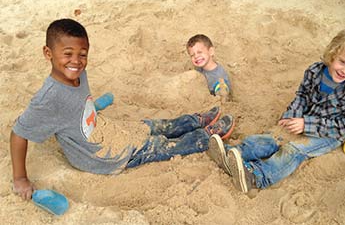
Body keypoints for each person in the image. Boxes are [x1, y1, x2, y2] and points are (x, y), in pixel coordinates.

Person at [10, 18, 235, 200]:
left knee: (156, 126)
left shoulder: (78, 72)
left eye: (82, 54)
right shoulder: (49, 98)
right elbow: (19, 133)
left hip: (107, 129)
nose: (76, 61)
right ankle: (204, 136)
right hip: (102, 156)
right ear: (48, 53)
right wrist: (20, 179)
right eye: (67, 54)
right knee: (161, 145)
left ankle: (195, 120)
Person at [207, 28, 345, 193]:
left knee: (294, 149)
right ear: (333, 53)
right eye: (343, 62)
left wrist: (307, 125)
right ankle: (236, 152)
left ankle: (257, 176)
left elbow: (344, 127)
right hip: (304, 118)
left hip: (329, 134)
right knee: (274, 137)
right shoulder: (314, 71)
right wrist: (293, 114)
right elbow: (302, 96)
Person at [186, 34, 232, 99]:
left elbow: (223, 98)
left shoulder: (219, 77)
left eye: (199, 52)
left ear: (211, 51)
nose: (196, 56)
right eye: (192, 55)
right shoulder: (199, 68)